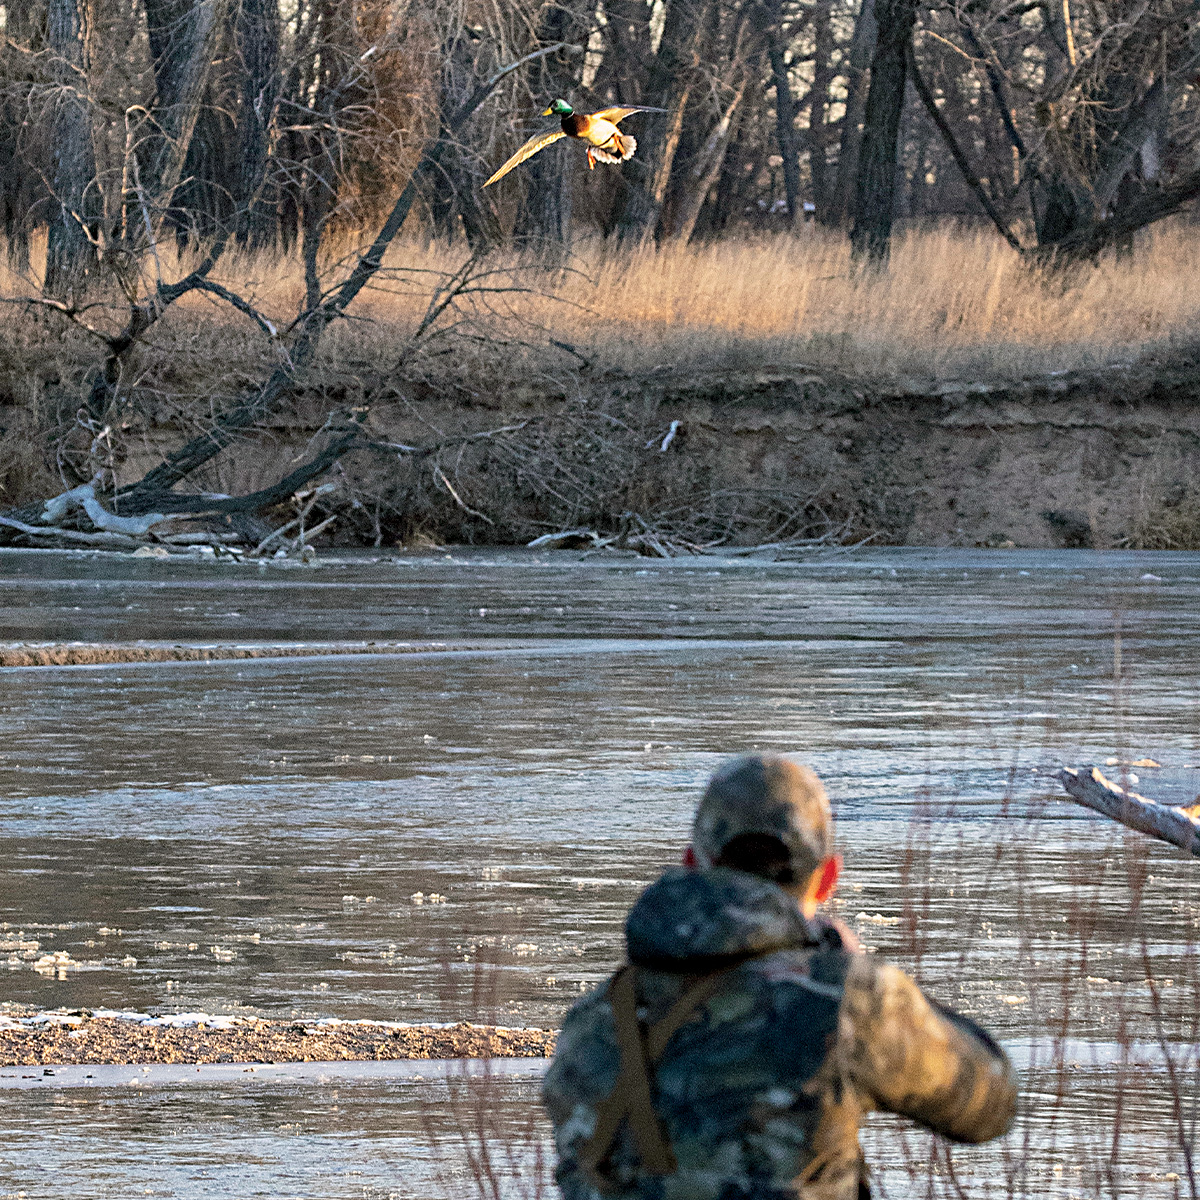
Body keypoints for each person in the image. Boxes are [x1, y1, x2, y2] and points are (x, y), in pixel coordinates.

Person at [542, 753, 1018, 1200]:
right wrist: (860, 976)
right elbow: (990, 1104)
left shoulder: (593, 1020)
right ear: (829, 877)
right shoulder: (844, 1001)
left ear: (692, 863)